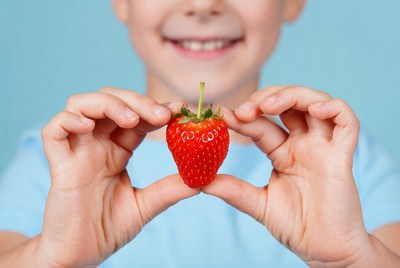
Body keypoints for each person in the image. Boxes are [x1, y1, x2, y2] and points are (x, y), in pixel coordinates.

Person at [0, 0, 399, 267]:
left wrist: (353, 259)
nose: (204, 5)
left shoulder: (348, 160)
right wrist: (50, 259)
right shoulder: (57, 157)